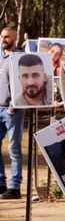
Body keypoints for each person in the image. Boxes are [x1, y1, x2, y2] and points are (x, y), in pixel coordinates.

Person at [0, 26, 25, 199]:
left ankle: (15, 187)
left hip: (13, 110)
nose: (3, 40)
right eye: (2, 36)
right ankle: (1, 182)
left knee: (14, 147)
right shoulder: (0, 56)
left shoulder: (21, 57)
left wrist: (13, 106)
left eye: (7, 37)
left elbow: (25, 84)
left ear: (14, 39)